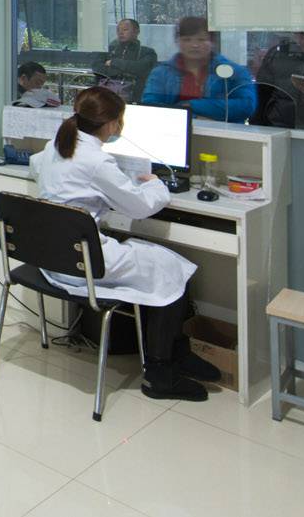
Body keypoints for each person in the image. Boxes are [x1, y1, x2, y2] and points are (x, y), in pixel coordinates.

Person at [30, 87, 217, 402]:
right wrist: (156, 184)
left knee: (157, 262)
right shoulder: (96, 161)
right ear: (111, 124)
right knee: (171, 267)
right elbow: (139, 208)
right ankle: (161, 373)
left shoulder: (54, 146)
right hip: (83, 266)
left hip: (54, 259)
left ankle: (177, 354)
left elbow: (38, 168)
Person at [141, 16, 255, 122]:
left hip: (225, 135)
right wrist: (195, 117)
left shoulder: (235, 72)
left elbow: (246, 106)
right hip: (175, 133)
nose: (194, 45)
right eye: (187, 39)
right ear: (178, 41)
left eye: (201, 39)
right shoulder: (161, 73)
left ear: (212, 42)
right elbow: (150, 107)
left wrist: (191, 105)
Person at [252, 7, 304, 128]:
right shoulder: (278, 56)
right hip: (277, 128)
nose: (302, 40)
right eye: (297, 34)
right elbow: (261, 96)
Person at [91, 18, 158, 101]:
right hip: (105, 96)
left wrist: (114, 62)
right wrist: (127, 69)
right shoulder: (108, 50)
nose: (120, 33)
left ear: (136, 32)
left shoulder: (147, 52)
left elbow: (140, 68)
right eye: (118, 30)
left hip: (134, 98)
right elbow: (97, 68)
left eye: (125, 30)